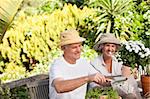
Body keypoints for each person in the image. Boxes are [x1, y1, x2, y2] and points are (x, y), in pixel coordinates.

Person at [49, 29, 109, 99]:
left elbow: (100, 79)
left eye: (79, 46)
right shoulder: (57, 65)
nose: (78, 50)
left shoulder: (83, 62)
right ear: (63, 48)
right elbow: (59, 87)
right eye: (74, 47)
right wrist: (87, 78)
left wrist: (112, 81)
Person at [90, 33, 141, 99]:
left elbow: (124, 79)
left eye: (113, 46)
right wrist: (122, 78)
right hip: (100, 92)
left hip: (117, 91)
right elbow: (99, 81)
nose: (110, 49)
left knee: (131, 96)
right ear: (101, 47)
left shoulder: (118, 62)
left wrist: (130, 75)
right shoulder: (94, 63)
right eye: (107, 45)